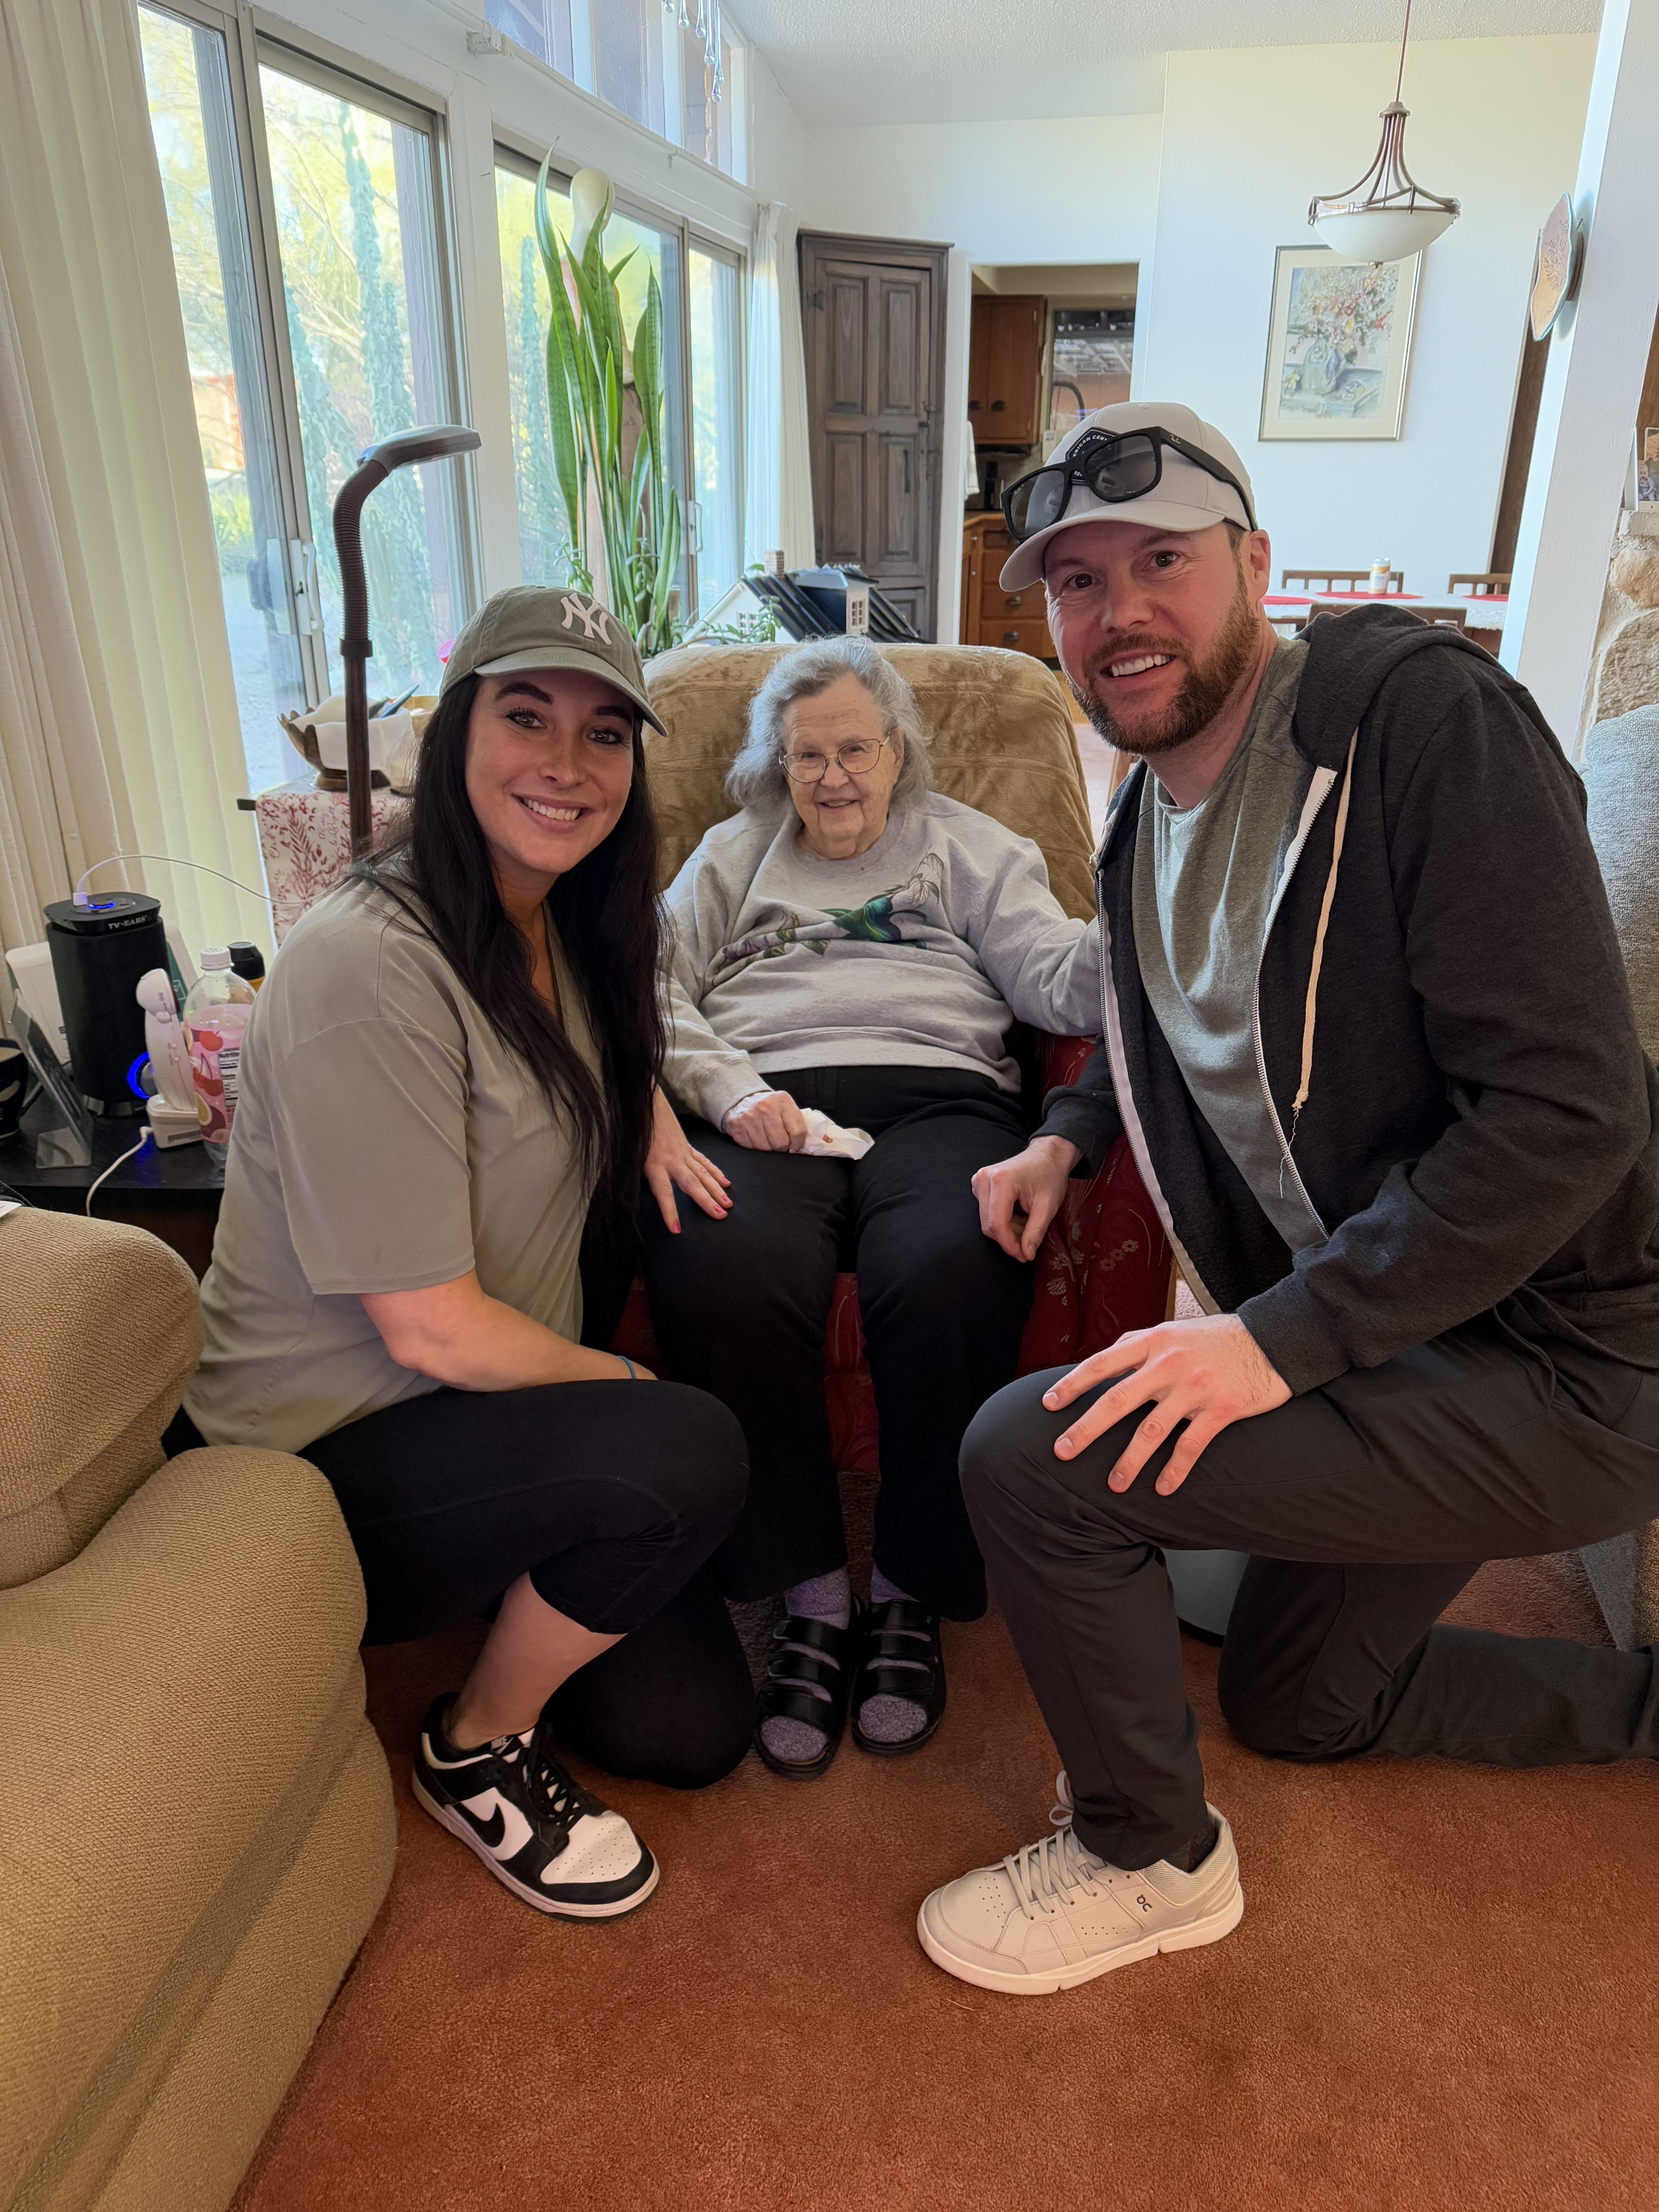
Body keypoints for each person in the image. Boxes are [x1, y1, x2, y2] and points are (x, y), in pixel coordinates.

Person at [915, 400, 1659, 1994]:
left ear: (1254, 563)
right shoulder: (1141, 824)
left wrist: (1277, 1343)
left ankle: (1148, 1857)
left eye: (1161, 561)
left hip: (1581, 1357)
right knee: (1301, 1706)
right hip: (1414, 1331)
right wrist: (1065, 1134)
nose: (1119, 612)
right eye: (1077, 582)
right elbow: (1158, 1022)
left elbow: (1571, 1112)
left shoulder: (1418, 723)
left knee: (1036, 1462)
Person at [168, 586, 755, 1923]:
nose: (567, 763)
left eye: (605, 734)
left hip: (469, 1412)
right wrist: (631, 1397)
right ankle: (473, 1745)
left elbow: (593, 1049)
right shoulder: (367, 968)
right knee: (687, 1453)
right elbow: (430, 1328)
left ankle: (556, 1544)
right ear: (453, 738)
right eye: (526, 717)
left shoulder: (565, 913)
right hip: (314, 1462)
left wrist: (653, 1117)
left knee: (686, 1733)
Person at [641, 635, 1103, 1779]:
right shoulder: (731, 853)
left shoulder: (969, 846)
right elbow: (647, 989)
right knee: (722, 1260)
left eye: (856, 749)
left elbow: (1051, 975)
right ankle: (805, 1586)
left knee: (954, 1259)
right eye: (808, 755)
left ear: (899, 750)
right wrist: (728, 1089)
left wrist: (1143, 934)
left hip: (941, 1097)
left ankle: (909, 1583)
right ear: (777, 764)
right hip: (767, 1105)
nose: (833, 776)